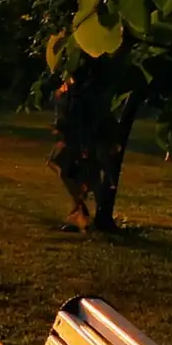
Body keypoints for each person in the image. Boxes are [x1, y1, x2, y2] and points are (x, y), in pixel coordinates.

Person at [49, 74, 97, 230]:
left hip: (75, 139)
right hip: (71, 138)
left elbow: (76, 116)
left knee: (64, 169)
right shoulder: (71, 93)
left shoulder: (79, 96)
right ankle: (80, 210)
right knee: (60, 166)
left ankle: (80, 209)